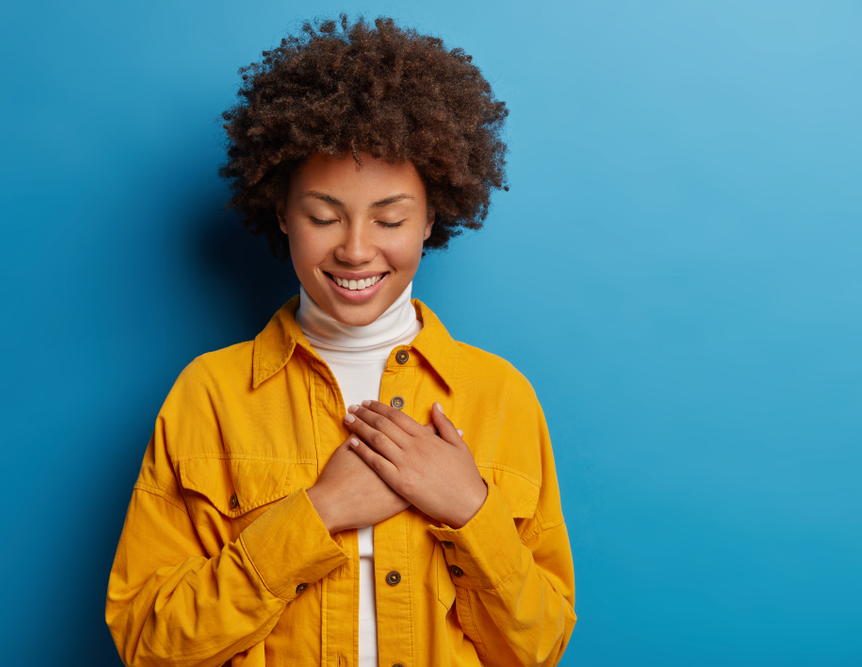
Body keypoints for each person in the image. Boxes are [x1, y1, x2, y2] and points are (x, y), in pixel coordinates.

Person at [106, 15, 576, 667]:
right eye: (323, 216)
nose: (356, 249)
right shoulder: (208, 396)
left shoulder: (502, 397)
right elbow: (148, 643)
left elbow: (540, 646)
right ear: (280, 212)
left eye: (390, 218)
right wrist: (316, 513)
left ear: (432, 217)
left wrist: (472, 511)